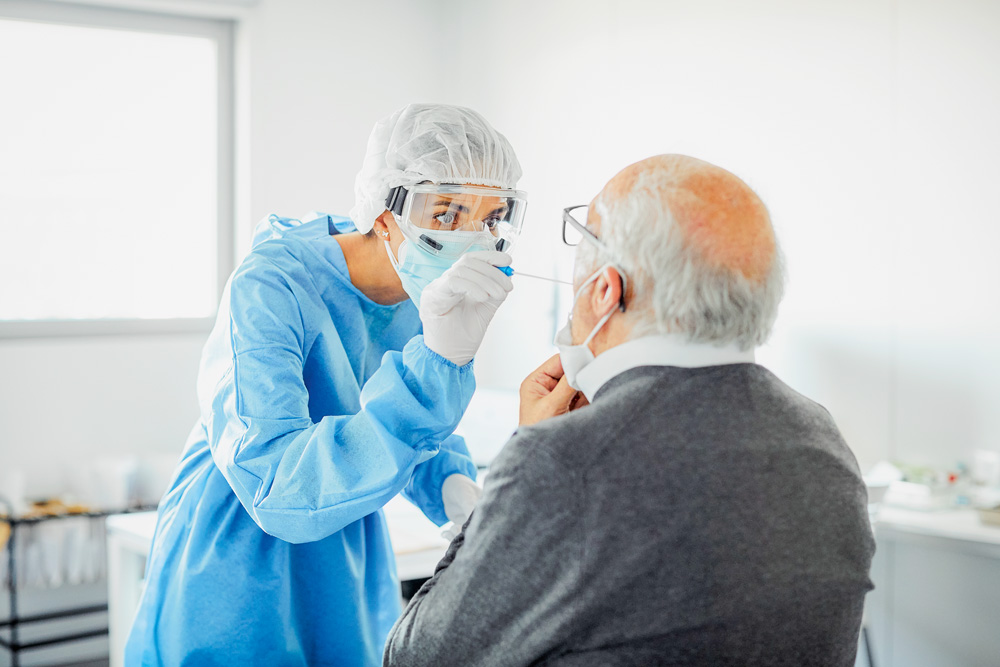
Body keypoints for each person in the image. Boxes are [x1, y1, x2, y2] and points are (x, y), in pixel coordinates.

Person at [383, 154, 875, 667]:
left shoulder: (564, 463)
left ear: (605, 290)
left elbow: (417, 657)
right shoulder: (824, 442)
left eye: (583, 241)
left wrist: (517, 471)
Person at [124, 103, 526, 666]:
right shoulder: (272, 285)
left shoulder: (419, 291)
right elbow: (279, 489)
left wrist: (453, 486)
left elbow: (402, 418)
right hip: (239, 548)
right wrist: (437, 362)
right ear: (386, 214)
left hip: (346, 537)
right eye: (448, 212)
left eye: (490, 218)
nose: (472, 239)